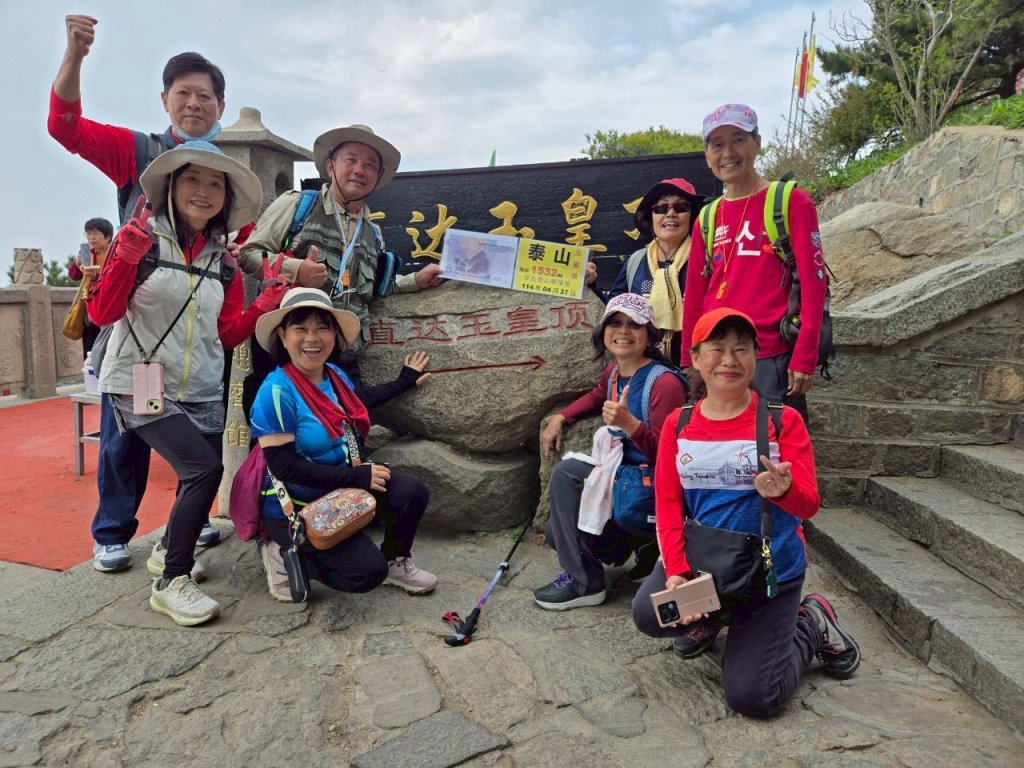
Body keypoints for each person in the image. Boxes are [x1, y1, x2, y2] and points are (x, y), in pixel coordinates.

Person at [47, 14, 232, 571]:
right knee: (128, 432)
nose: (195, 104)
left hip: (194, 331)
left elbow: (239, 246)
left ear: (221, 107)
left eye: (206, 96)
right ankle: (112, 531)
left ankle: (187, 523)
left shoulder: (226, 173)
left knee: (197, 434)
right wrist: (75, 56)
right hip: (141, 331)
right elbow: (66, 127)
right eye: (184, 93)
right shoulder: (139, 150)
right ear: (165, 100)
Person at [88, 141, 287, 626]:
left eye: (215, 183)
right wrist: (123, 257)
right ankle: (171, 580)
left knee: (196, 473)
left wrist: (266, 303)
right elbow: (102, 313)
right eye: (193, 179)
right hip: (140, 377)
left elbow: (226, 333)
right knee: (202, 470)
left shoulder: (223, 262)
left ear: (226, 196)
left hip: (198, 383)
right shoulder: (142, 239)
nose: (204, 191)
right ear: (171, 187)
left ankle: (165, 550)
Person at [631, 307, 859, 718]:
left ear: (756, 357)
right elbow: (667, 503)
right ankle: (713, 616)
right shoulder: (679, 425)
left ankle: (811, 621)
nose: (730, 361)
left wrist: (785, 490)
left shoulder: (780, 420)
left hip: (768, 574)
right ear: (696, 358)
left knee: (753, 698)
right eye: (716, 349)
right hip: (706, 569)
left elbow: (809, 504)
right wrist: (678, 572)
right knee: (651, 614)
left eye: (742, 349)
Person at [249, 287, 438, 603]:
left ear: (335, 335)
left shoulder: (334, 375)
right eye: (301, 329)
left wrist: (405, 380)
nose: (313, 338)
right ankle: (283, 551)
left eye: (322, 328)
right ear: (282, 336)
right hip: (298, 507)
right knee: (365, 573)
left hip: (341, 492)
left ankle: (396, 561)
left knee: (411, 490)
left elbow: (360, 403)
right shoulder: (276, 393)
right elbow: (284, 467)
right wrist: (356, 478)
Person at [238, 124, 443, 385]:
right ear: (330, 166)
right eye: (351, 160)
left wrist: (416, 280)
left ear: (378, 177)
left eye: (370, 165)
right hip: (289, 357)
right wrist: (295, 269)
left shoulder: (373, 234)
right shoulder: (297, 205)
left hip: (342, 362)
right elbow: (249, 255)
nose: (359, 170)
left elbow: (373, 289)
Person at [534, 294, 688, 610]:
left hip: (652, 493)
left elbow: (670, 460)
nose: (624, 331)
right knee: (556, 532)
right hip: (624, 486)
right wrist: (561, 417)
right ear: (603, 331)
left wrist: (631, 425)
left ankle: (586, 584)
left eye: (634, 324)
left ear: (650, 334)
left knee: (567, 473)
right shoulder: (615, 373)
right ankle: (641, 551)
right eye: (615, 323)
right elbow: (596, 396)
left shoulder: (665, 384)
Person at [682, 104, 827, 422]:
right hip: (715, 356)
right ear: (707, 155)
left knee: (777, 454)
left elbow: (815, 285)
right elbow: (695, 295)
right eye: (717, 144)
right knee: (724, 454)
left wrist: (805, 356)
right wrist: (689, 358)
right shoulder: (707, 217)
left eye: (738, 139)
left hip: (771, 356)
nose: (727, 153)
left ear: (757, 143)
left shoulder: (790, 202)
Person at [608, 178, 703, 365]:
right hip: (643, 366)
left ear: (692, 216)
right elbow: (615, 312)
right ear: (650, 217)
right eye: (661, 208)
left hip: (696, 365)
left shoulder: (705, 259)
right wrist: (592, 284)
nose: (671, 213)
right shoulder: (636, 261)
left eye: (681, 207)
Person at [68, 217, 113, 355]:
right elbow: (74, 276)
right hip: (88, 307)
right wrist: (77, 264)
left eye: (95, 233)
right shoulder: (88, 253)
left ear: (108, 237)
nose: (91, 238)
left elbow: (114, 280)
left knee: (107, 350)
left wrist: (96, 277)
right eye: (88, 234)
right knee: (89, 350)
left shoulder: (114, 254)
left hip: (107, 308)